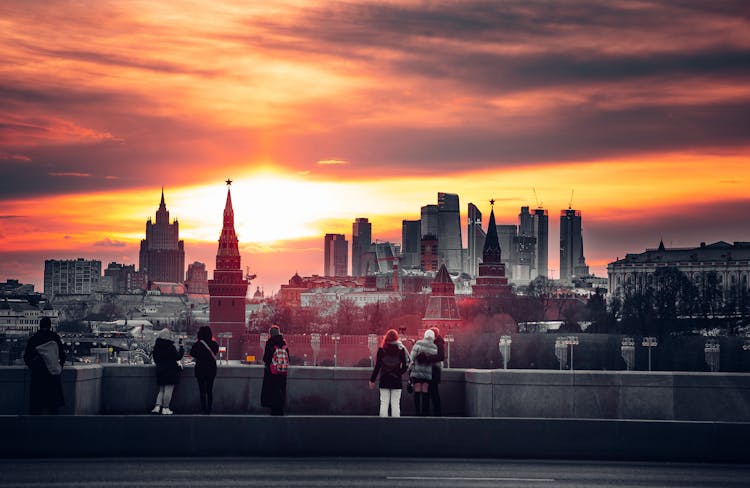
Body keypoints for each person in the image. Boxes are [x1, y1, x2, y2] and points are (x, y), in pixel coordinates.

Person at [23, 317, 65, 414]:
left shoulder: (34, 338)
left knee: (37, 406)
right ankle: (53, 427)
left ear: (40, 325)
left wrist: (33, 367)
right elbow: (62, 355)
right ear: (50, 326)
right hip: (52, 375)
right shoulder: (55, 337)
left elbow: (27, 357)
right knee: (53, 406)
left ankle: (35, 427)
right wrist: (59, 367)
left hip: (38, 375)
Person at [369, 329, 409, 417]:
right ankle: (396, 426)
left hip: (384, 378)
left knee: (384, 403)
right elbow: (405, 365)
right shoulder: (401, 349)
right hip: (396, 380)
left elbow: (377, 367)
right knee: (395, 404)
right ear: (396, 338)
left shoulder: (381, 350)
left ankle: (383, 425)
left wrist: (372, 380)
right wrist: (398, 373)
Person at [151, 328, 184, 415]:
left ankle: (157, 407)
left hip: (160, 370)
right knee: (168, 390)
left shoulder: (156, 347)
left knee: (161, 390)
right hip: (171, 371)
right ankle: (165, 408)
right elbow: (178, 357)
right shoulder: (170, 346)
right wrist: (181, 347)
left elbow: (155, 359)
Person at [189, 326, 219, 414]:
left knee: (202, 391)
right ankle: (209, 409)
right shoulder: (214, 344)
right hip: (211, 370)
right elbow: (216, 352)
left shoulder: (197, 345)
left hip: (200, 369)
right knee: (209, 390)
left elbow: (192, 353)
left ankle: (203, 409)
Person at [409, 329, 438, 416]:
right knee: (425, 390)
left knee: (417, 390)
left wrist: (410, 369)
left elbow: (411, 358)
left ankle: (417, 412)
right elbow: (437, 362)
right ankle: (424, 413)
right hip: (427, 373)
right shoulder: (434, 347)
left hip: (416, 372)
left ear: (425, 335)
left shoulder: (418, 344)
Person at [261, 325, 288, 416]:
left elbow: (266, 358)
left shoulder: (270, 342)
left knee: (272, 390)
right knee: (281, 389)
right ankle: (280, 409)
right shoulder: (284, 342)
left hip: (272, 371)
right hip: (283, 371)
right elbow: (288, 357)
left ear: (271, 334)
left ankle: (274, 410)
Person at [419, 326, 445, 416]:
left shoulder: (438, 344)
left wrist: (427, 358)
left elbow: (441, 356)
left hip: (433, 371)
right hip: (431, 371)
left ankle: (430, 413)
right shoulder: (438, 343)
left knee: (432, 392)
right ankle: (433, 413)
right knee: (430, 392)